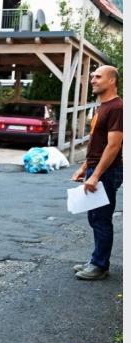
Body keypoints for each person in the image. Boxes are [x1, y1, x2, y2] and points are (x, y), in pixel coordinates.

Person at [71, 65, 123, 280]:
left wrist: (96, 175)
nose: (92, 80)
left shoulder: (117, 108)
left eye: (98, 77)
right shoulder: (101, 107)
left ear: (112, 81)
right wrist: (84, 168)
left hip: (107, 171)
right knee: (95, 218)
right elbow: (96, 142)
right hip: (96, 168)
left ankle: (100, 265)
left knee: (101, 218)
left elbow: (114, 146)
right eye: (92, 76)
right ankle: (96, 259)